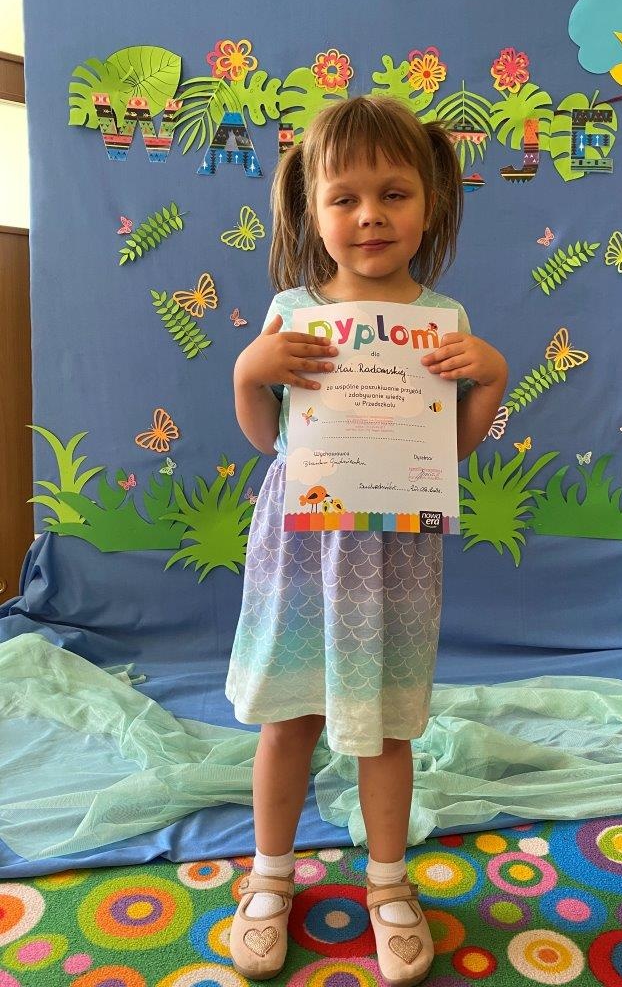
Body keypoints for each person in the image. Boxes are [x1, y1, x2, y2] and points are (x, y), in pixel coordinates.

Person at [226, 95, 507, 984]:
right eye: (344, 198)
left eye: (393, 194)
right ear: (312, 209)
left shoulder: (442, 319)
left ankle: (389, 885)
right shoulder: (293, 311)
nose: (370, 215)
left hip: (393, 554)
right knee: (290, 718)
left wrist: (491, 381)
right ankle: (270, 877)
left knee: (386, 728)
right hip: (303, 547)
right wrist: (249, 372)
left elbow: (449, 451)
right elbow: (266, 438)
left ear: (431, 202)